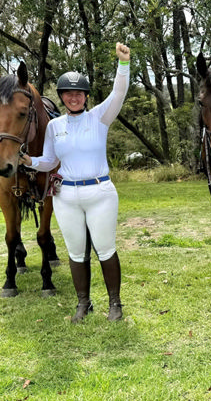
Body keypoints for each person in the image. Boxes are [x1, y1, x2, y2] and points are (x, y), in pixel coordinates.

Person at [20, 42, 131, 322]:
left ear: (86, 96)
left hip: (100, 192)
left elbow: (119, 93)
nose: (73, 98)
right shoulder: (55, 127)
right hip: (66, 196)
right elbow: (49, 160)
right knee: (75, 252)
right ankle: (83, 303)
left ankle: (115, 304)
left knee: (105, 249)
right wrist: (30, 162)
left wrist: (124, 63)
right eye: (68, 93)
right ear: (61, 96)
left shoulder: (100, 118)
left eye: (79, 93)